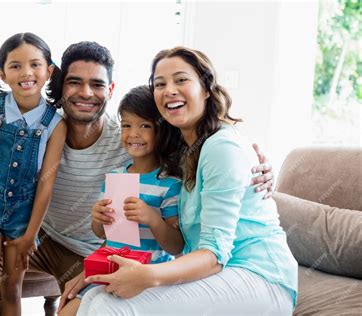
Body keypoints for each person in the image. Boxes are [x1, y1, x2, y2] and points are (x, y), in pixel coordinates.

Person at [0, 41, 275, 314]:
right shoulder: (44, 129)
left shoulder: (129, 138)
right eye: (75, 82)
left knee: (85, 306)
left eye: (96, 84)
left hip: (88, 250)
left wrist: (256, 164)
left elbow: (195, 147)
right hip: (41, 236)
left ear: (110, 89)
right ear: (59, 85)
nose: (85, 93)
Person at [77, 47, 298, 315]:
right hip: (220, 271)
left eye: (181, 80)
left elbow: (214, 255)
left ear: (206, 88)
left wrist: (147, 275)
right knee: (94, 299)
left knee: (109, 306)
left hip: (259, 276)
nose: (169, 90)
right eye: (160, 84)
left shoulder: (221, 147)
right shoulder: (184, 149)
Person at [0, 32, 66, 315]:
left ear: (49, 71)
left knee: (12, 290)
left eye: (35, 64)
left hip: (23, 216)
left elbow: (46, 183)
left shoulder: (55, 124)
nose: (26, 72)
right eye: (16, 66)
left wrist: (31, 233)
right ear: (3, 74)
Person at [59, 85, 184, 315]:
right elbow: (101, 234)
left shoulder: (169, 184)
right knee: (65, 311)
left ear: (162, 131)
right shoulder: (115, 177)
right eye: (126, 125)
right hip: (108, 270)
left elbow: (176, 245)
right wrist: (97, 217)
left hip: (145, 280)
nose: (133, 134)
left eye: (144, 126)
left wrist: (153, 219)